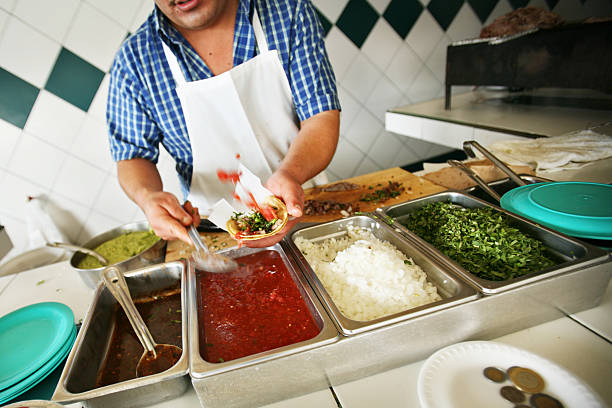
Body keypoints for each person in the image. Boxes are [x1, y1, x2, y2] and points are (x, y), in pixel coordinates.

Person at [107, 0, 340, 247]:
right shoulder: (133, 60)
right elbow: (132, 156)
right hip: (210, 232)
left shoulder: (288, 11)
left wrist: (291, 174)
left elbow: (321, 117)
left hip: (302, 203)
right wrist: (148, 197)